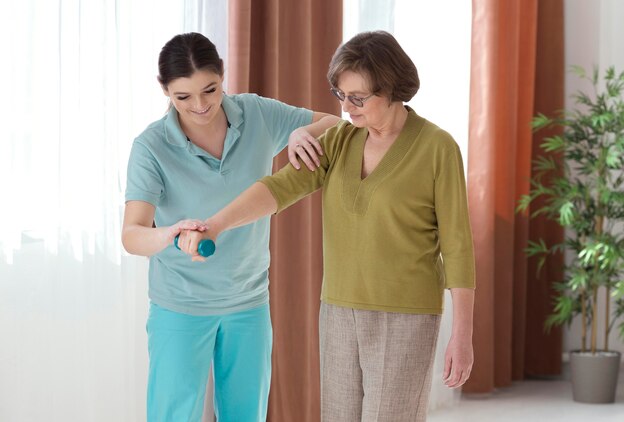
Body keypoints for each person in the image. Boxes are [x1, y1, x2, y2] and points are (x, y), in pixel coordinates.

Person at [178, 30, 476, 421]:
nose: (347, 108)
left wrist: (463, 334)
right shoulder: (340, 139)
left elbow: (457, 245)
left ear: (390, 88)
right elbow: (279, 188)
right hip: (337, 310)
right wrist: (216, 225)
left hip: (406, 314)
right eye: (341, 95)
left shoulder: (438, 148)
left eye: (358, 98)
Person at [121, 32, 340, 422]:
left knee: (245, 415)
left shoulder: (255, 113)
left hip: (248, 301)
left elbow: (333, 125)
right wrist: (168, 234)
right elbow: (132, 234)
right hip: (180, 306)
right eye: (183, 97)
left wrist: (300, 132)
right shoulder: (151, 146)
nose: (201, 105)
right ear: (165, 91)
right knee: (173, 415)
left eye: (210, 89)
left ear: (223, 75)